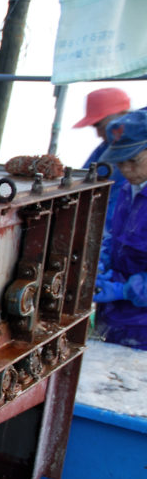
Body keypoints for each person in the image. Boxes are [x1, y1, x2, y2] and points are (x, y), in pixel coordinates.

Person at [92, 109, 147, 349]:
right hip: (113, 321)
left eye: (133, 160)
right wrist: (101, 261)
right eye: (120, 161)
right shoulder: (128, 189)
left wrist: (126, 289)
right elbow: (115, 238)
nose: (125, 169)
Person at [74, 87, 131, 192]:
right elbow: (80, 180)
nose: (98, 134)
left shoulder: (141, 150)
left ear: (123, 115)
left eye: (99, 125)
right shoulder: (103, 148)